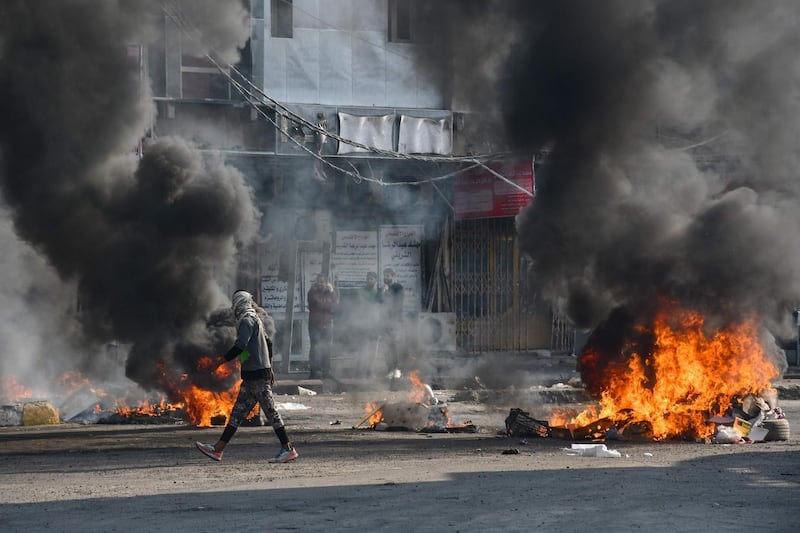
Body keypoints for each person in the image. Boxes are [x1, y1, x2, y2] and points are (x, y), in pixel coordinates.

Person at [195, 290, 298, 464]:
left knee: (271, 412)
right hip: (253, 375)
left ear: (238, 304)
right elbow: (266, 344)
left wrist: (218, 363)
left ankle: (288, 449)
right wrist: (268, 367)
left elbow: (240, 346)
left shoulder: (246, 320)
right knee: (237, 414)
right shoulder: (253, 318)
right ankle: (218, 450)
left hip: (257, 376)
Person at [307, 273, 339, 379]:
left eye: (323, 282)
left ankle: (326, 371)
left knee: (327, 348)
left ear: (327, 283)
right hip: (315, 325)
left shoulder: (331, 292)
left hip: (327, 324)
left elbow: (335, 306)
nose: (321, 284)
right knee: (315, 348)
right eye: (319, 281)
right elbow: (318, 303)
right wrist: (328, 303)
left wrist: (331, 293)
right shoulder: (312, 292)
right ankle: (314, 372)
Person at [380, 267, 405, 378]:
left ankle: (396, 370)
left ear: (393, 277)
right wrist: (383, 292)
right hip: (385, 322)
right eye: (385, 276)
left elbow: (397, 304)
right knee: (387, 347)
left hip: (395, 322)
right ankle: (389, 369)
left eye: (388, 276)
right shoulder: (384, 289)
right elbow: (378, 303)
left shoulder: (398, 287)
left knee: (394, 346)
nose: (386, 278)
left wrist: (387, 292)